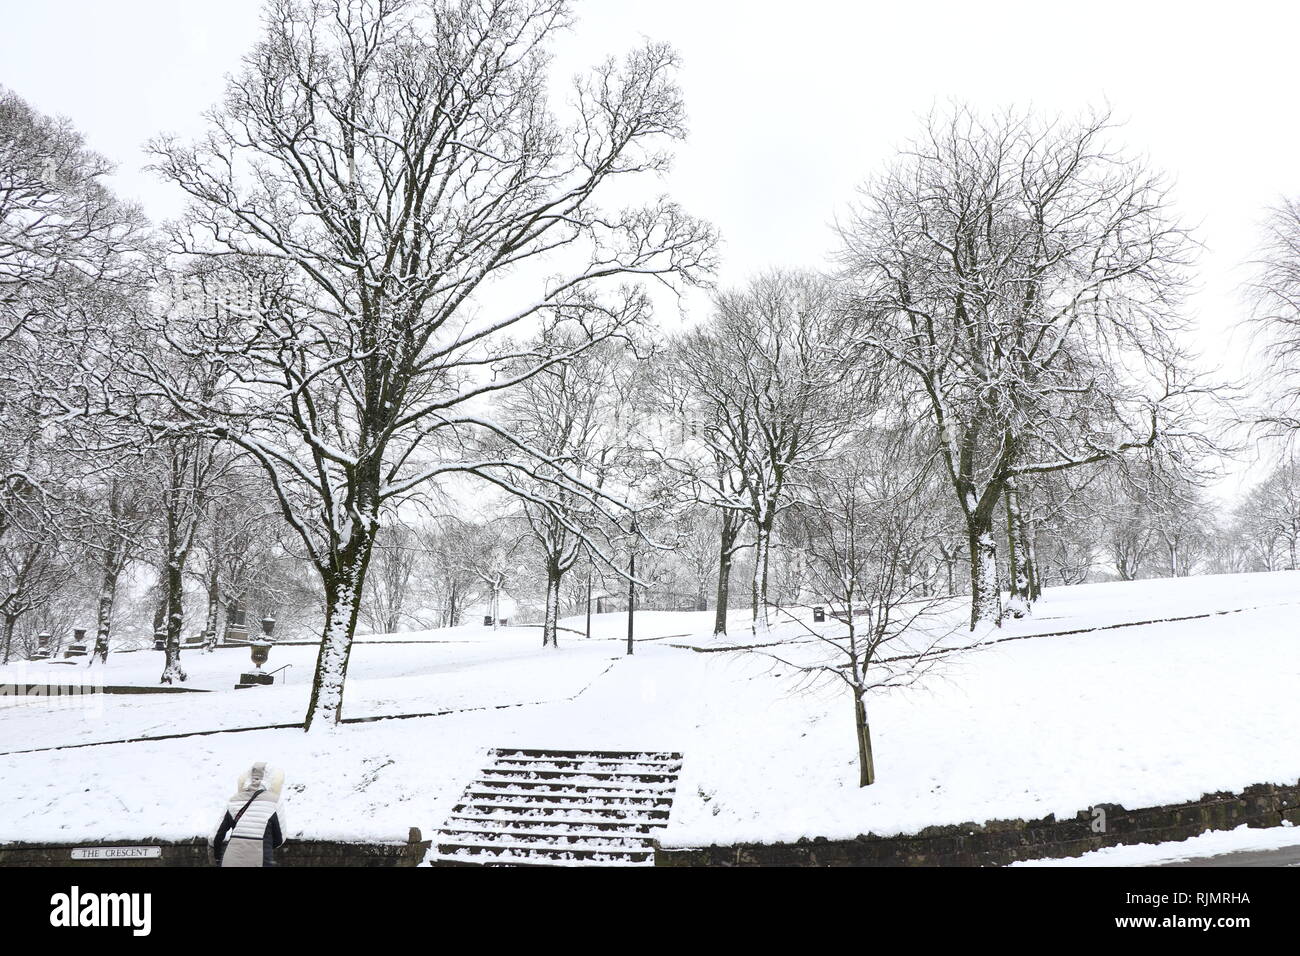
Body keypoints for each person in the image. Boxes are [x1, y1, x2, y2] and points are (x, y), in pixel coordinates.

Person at [212, 762, 288, 867]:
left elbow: (216, 837)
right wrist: (264, 844)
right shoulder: (275, 802)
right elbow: (279, 839)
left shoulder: (234, 800)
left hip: (230, 861)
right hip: (261, 861)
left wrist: (218, 858)